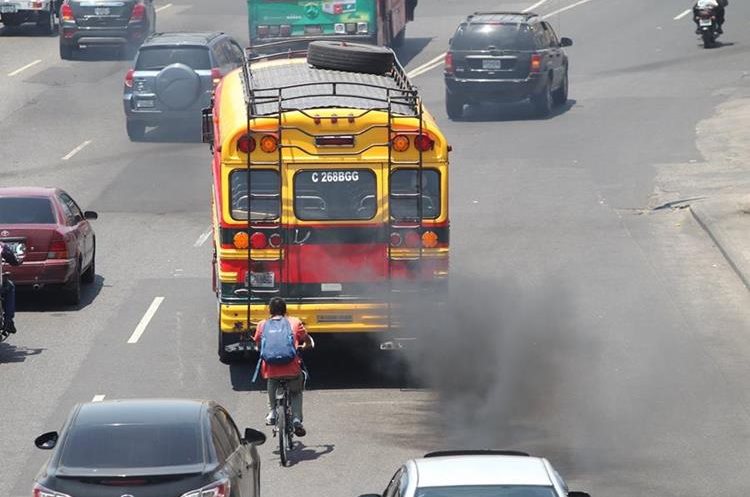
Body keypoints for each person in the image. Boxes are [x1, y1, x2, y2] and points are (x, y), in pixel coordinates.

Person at [253, 297, 313, 437]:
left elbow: (257, 343)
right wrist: (307, 345)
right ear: (285, 310)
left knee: (272, 382)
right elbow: (306, 339)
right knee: (296, 392)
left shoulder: (262, 325)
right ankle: (297, 420)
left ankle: (273, 412)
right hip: (291, 369)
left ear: (270, 310)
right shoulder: (295, 322)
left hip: (271, 369)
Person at [1, 242, 20, 336]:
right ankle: (8, 320)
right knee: (10, 287)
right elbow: (13, 260)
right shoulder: (1, 246)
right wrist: (16, 262)